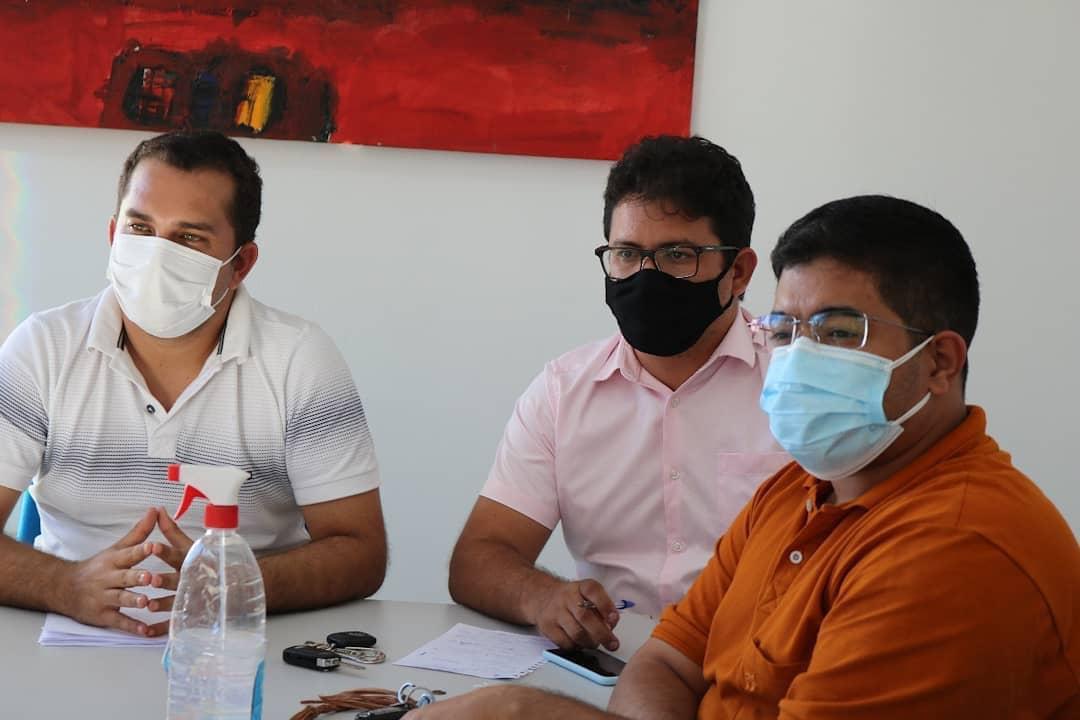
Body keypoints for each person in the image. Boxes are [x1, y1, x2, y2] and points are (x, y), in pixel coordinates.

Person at [413, 195, 1080, 719]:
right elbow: (666, 662)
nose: (799, 357)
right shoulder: (798, 491)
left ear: (939, 362)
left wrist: (524, 712)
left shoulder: (955, 548)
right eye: (785, 330)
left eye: (837, 331)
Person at [0, 130, 387, 637]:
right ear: (114, 235)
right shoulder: (42, 348)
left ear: (240, 264)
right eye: (140, 228)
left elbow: (361, 553)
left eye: (189, 239)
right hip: (68, 638)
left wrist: (231, 585)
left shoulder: (298, 359)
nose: (156, 254)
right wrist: (65, 585)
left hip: (237, 645)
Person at [449, 136, 788, 653]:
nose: (646, 277)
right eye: (627, 254)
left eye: (678, 255)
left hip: (757, 663)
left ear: (738, 271)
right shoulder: (564, 390)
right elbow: (479, 557)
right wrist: (544, 598)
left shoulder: (795, 384)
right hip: (612, 662)